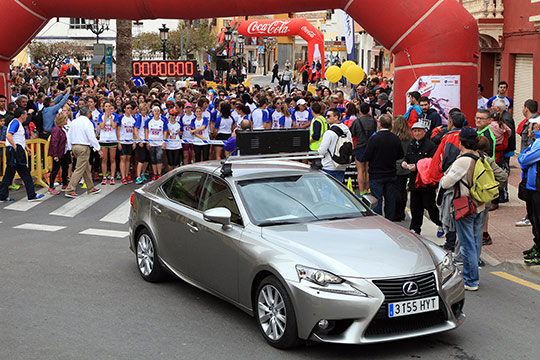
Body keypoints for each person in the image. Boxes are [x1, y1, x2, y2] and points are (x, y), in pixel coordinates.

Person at [440, 127, 487, 290]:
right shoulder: (481, 157)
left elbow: (446, 182)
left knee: (466, 245)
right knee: (474, 242)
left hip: (465, 206)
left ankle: (471, 280)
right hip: (480, 205)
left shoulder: (463, 160)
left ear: (461, 142)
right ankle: (474, 275)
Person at [402, 122, 441, 234]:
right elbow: (407, 157)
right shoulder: (411, 144)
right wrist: (405, 163)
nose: (417, 133)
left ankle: (440, 224)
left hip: (426, 182)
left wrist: (417, 167)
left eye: (419, 131)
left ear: (424, 132)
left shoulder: (431, 145)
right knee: (415, 207)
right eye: (415, 131)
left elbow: (432, 164)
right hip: (414, 182)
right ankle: (415, 228)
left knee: (429, 205)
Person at [363, 114, 404, 220]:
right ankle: (389, 220)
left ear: (379, 124)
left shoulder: (374, 139)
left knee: (376, 200)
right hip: (391, 172)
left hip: (376, 174)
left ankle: (378, 221)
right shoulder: (395, 139)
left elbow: (366, 156)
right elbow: (400, 155)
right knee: (390, 199)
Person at [0, 108, 44, 202]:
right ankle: (31, 195)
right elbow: (9, 135)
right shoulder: (15, 122)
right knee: (24, 172)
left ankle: (2, 195)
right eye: (25, 114)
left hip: (16, 149)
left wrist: (26, 148)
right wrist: (15, 146)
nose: (27, 116)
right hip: (14, 151)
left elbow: (19, 138)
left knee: (9, 173)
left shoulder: (18, 124)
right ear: (21, 115)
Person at [64, 106, 102, 198]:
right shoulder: (88, 123)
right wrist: (98, 148)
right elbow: (91, 137)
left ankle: (91, 187)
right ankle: (70, 189)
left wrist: (70, 148)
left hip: (74, 145)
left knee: (85, 168)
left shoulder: (74, 122)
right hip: (83, 146)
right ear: (88, 113)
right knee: (80, 168)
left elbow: (69, 136)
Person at [518, 113, 540, 265]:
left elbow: (525, 159)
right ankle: (537, 246)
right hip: (532, 186)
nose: (528, 130)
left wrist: (524, 157)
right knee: (533, 219)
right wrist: (524, 157)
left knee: (538, 220)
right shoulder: (535, 142)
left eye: (531, 126)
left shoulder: (538, 143)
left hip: (538, 188)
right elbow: (522, 159)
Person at [317, 108, 352, 182]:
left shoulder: (329, 133)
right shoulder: (347, 131)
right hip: (342, 165)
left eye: (328, 116)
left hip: (329, 166)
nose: (326, 117)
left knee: (327, 191)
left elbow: (321, 151)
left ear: (336, 117)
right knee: (339, 190)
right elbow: (351, 145)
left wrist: (320, 146)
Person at [349, 102, 377, 195]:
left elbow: (352, 134)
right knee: (368, 169)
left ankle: (361, 191)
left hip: (360, 147)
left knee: (360, 170)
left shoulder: (356, 121)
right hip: (371, 147)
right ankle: (368, 189)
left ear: (360, 110)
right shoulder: (373, 121)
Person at [392, 115, 412, 222]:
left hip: (395, 165)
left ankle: (396, 212)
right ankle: (402, 212)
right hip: (405, 166)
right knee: (403, 189)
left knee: (395, 190)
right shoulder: (409, 138)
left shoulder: (393, 138)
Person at [47, 113, 71, 194]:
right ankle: (51, 186)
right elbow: (54, 142)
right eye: (65, 119)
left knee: (65, 168)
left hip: (64, 152)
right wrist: (55, 155)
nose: (66, 120)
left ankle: (64, 183)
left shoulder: (62, 128)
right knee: (55, 169)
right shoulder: (57, 130)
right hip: (59, 153)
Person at [97, 100, 118, 185]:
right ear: (103, 108)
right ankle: (104, 177)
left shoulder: (115, 116)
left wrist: (110, 117)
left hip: (112, 139)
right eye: (106, 106)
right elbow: (101, 126)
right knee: (104, 159)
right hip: (104, 140)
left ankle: (112, 177)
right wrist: (105, 117)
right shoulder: (101, 116)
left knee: (112, 159)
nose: (108, 108)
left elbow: (113, 126)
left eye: (109, 106)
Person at [145, 106, 168, 180]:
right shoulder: (149, 121)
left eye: (158, 111)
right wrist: (147, 142)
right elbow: (146, 132)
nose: (156, 113)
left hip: (159, 143)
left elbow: (165, 132)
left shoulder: (162, 121)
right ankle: (155, 174)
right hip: (151, 143)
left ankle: (159, 173)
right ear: (152, 112)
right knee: (153, 159)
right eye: (155, 111)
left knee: (159, 158)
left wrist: (164, 142)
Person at [117, 102, 137, 184]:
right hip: (122, 141)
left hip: (130, 141)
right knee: (123, 158)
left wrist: (134, 142)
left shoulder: (133, 118)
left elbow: (134, 131)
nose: (129, 110)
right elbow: (118, 131)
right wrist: (119, 142)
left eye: (130, 108)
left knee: (128, 159)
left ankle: (127, 174)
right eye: (127, 108)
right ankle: (123, 176)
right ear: (124, 109)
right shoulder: (121, 117)